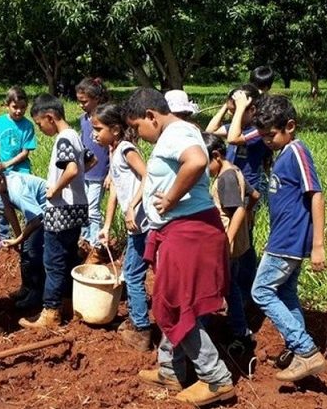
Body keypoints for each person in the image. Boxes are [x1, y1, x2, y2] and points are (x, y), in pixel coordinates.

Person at [125, 88, 235, 407]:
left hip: (188, 231)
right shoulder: (179, 132)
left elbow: (197, 161)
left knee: (175, 305)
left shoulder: (175, 132)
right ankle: (170, 369)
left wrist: (170, 198)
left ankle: (216, 379)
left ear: (152, 116)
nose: (139, 136)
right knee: (171, 302)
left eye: (138, 127)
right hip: (182, 231)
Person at [250, 95, 327, 382]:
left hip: (289, 241)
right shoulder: (285, 154)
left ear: (290, 126)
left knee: (261, 292)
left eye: (271, 135)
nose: (267, 141)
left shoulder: (297, 151)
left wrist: (318, 244)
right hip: (283, 239)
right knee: (286, 294)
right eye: (264, 136)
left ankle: (305, 350)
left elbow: (316, 195)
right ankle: (298, 350)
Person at [19, 94, 90, 329]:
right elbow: (89, 163)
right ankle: (68, 304)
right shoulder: (76, 136)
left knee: (53, 261)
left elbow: (70, 168)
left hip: (61, 210)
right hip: (77, 207)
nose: (40, 129)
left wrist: (54, 190)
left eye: (40, 124)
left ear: (50, 117)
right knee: (69, 257)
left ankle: (51, 312)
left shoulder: (63, 139)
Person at [92, 103, 152, 351]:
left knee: (134, 275)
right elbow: (115, 189)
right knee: (132, 271)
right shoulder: (113, 150)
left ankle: (142, 331)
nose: (94, 134)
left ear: (115, 130)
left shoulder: (127, 149)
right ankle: (138, 321)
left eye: (98, 129)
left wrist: (132, 207)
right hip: (136, 226)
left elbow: (149, 176)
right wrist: (106, 225)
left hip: (144, 224)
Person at [205, 86, 271, 295]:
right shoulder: (237, 124)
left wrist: (241, 107)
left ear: (252, 110)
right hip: (230, 184)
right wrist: (227, 107)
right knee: (238, 234)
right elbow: (209, 131)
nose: (234, 115)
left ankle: (244, 287)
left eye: (238, 110)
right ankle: (237, 284)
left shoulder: (256, 131)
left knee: (244, 237)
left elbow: (233, 138)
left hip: (247, 186)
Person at [203, 133, 259, 357]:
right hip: (240, 242)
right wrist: (249, 221)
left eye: (205, 164)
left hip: (227, 243)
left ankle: (238, 331)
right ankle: (239, 328)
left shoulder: (225, 178)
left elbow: (238, 210)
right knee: (230, 286)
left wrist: (227, 241)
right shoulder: (235, 170)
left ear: (216, 156)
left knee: (222, 287)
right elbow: (254, 196)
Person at [0, 159, 47, 311]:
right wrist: (19, 238)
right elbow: (9, 210)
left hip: (50, 212)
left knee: (32, 251)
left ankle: (37, 293)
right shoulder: (3, 185)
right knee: (26, 248)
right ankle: (27, 288)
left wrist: (20, 239)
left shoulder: (16, 189)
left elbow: (36, 220)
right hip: (37, 215)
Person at [0, 86, 37, 250]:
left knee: (22, 204)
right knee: (2, 207)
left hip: (20, 171)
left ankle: (27, 235)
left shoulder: (28, 126)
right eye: (15, 107)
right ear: (7, 105)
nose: (19, 111)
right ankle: (4, 237)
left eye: (23, 107)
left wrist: (6, 164)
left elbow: (25, 153)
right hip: (2, 173)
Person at [76, 77, 111, 263]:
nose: (81, 105)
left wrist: (111, 172)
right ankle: (85, 238)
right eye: (79, 101)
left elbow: (112, 146)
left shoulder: (104, 119)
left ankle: (95, 243)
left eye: (84, 101)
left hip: (99, 172)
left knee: (93, 208)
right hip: (85, 170)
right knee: (84, 206)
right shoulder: (83, 119)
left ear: (97, 99)